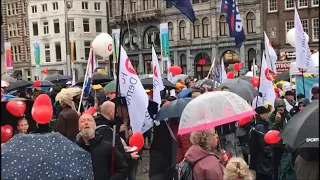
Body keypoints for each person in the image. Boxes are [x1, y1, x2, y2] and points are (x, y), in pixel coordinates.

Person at [76, 114, 129, 180]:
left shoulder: (107, 147)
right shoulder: (75, 150)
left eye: (89, 120)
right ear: (79, 127)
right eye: (82, 121)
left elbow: (123, 168)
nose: (86, 123)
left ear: (95, 125)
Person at [217, 86, 243, 159]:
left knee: (231, 149)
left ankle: (234, 164)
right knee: (222, 150)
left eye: (227, 92)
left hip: (229, 130)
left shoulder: (232, 103)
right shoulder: (218, 103)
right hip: (220, 130)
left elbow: (236, 115)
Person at [268, 98, 291, 179]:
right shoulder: (271, 117)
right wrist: (277, 121)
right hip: (276, 145)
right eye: (278, 107)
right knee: (276, 165)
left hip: (286, 144)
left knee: (286, 165)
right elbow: (270, 130)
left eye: (282, 106)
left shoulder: (287, 116)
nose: (281, 108)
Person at [249, 106, 274, 180]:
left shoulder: (254, 126)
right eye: (266, 113)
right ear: (261, 115)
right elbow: (264, 144)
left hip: (257, 160)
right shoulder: (261, 127)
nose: (267, 115)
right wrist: (271, 154)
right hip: (263, 161)